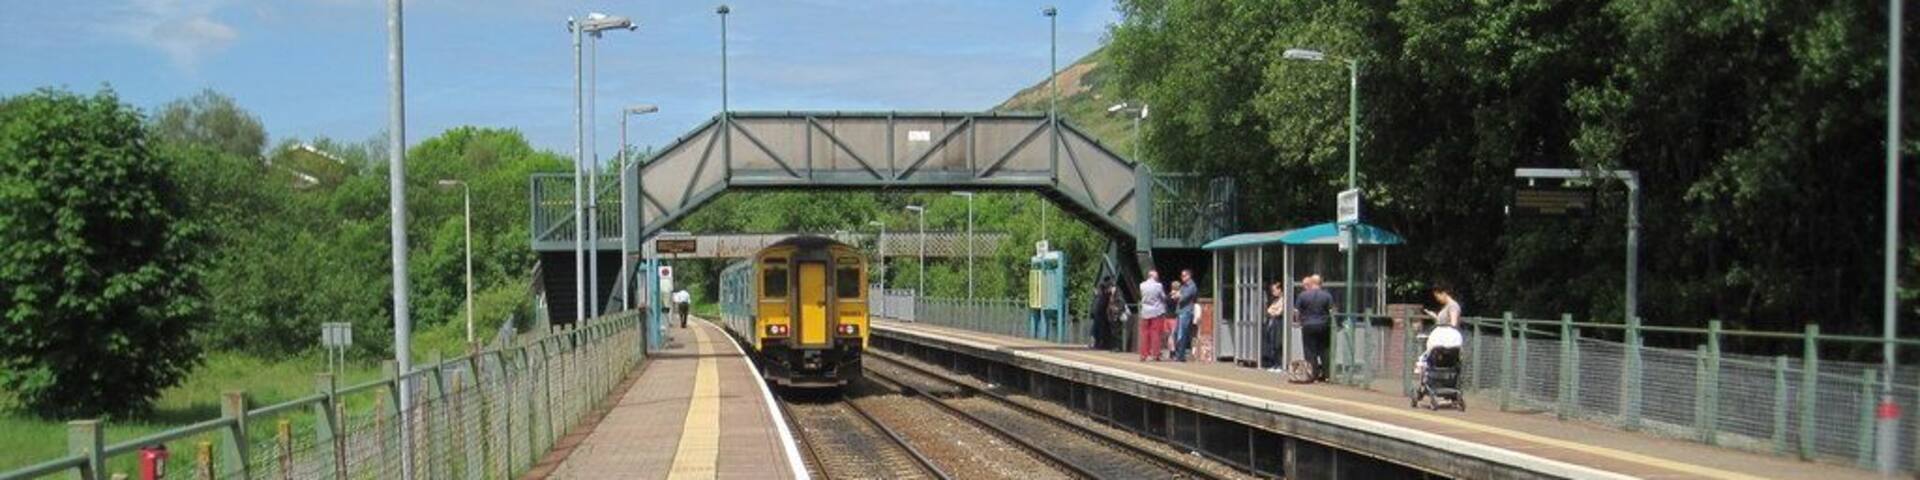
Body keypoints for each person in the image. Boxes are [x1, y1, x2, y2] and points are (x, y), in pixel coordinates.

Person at [1293, 275, 1335, 382]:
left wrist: (1299, 322)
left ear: (1311, 283)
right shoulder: (1327, 296)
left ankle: (1313, 375)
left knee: (1309, 351)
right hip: (1323, 325)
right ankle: (1327, 375)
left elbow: (1296, 312)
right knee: (1325, 350)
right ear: (1321, 283)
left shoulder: (1303, 295)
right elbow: (1332, 311)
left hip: (1308, 325)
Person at [1138, 270, 1168, 361]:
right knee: (1155, 333)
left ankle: (1144, 354)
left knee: (1144, 334)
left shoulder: (1142, 285)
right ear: (1154, 276)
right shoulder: (1158, 286)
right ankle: (1155, 354)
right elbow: (1163, 297)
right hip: (1156, 312)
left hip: (1145, 311)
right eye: (1157, 276)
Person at [1173, 269, 1200, 361]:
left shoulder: (1192, 286)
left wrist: (1177, 295)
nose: (1182, 278)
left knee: (1182, 333)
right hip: (1180, 311)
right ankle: (1178, 354)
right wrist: (1177, 295)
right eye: (1182, 276)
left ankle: (1180, 355)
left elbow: (1183, 298)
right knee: (1176, 333)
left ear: (1189, 276)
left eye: (1184, 276)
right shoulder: (1183, 286)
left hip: (1186, 311)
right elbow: (1176, 297)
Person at [1262, 282, 1286, 372]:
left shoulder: (1283, 300)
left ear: (1280, 290)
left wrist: (1273, 311)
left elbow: (1279, 312)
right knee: (1272, 344)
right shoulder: (1275, 300)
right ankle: (1274, 364)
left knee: (1278, 344)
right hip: (1272, 324)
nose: (1272, 292)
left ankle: (1279, 364)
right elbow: (1269, 311)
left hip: (1279, 324)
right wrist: (1273, 311)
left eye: (1274, 290)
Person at [1089, 276, 1114, 350]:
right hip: (1102, 313)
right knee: (1099, 330)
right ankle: (1101, 344)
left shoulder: (1101, 295)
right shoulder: (1105, 294)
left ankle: (1099, 344)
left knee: (1097, 330)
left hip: (1100, 313)